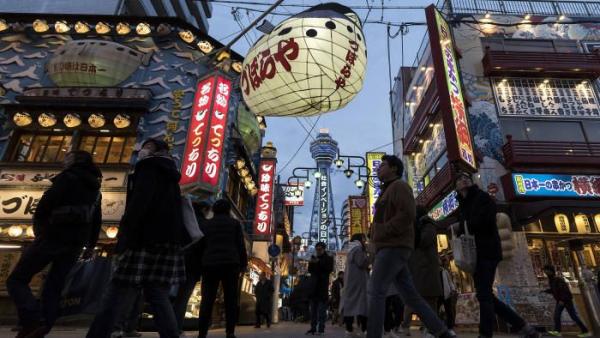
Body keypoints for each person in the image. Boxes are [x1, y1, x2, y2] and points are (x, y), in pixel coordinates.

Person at [87, 139, 185, 338]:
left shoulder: (148, 168)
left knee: (119, 289)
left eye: (147, 147)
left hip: (143, 238)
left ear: (160, 151)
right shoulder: (171, 174)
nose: (141, 150)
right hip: (168, 240)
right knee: (157, 292)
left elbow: (139, 203)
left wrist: (126, 234)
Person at [7, 150, 102, 338]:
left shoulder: (66, 178)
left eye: (67, 157)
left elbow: (44, 207)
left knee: (17, 279)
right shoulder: (95, 186)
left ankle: (32, 318)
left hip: (53, 236)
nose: (63, 160)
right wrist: (90, 245)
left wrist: (40, 232)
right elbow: (96, 218)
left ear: (74, 161)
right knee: (55, 285)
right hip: (76, 243)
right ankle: (43, 325)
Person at [367, 154, 454, 338]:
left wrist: (382, 232)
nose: (378, 168)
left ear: (394, 169)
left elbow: (407, 214)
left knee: (376, 291)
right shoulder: (388, 190)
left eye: (382, 165)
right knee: (410, 296)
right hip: (394, 246)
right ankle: (441, 331)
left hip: (393, 246)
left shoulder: (399, 186)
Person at [455, 172, 539, 338]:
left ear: (471, 182)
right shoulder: (463, 203)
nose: (463, 180)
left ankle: (485, 334)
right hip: (476, 254)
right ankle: (525, 328)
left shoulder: (482, 197)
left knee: (484, 295)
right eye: (459, 179)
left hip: (487, 251)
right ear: (456, 187)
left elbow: (484, 222)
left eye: (466, 178)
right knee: (485, 295)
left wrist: (462, 225)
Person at [197, 199, 247, 338]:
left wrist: (201, 263)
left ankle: (202, 332)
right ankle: (230, 331)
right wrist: (243, 264)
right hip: (230, 265)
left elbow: (201, 245)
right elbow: (240, 245)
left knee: (207, 299)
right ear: (228, 210)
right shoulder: (234, 224)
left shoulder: (207, 224)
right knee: (230, 299)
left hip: (210, 264)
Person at [401, 206, 443, 336]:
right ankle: (407, 325)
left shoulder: (428, 225)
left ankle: (429, 327)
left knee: (429, 299)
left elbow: (424, 241)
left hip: (426, 268)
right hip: (417, 268)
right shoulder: (417, 226)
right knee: (414, 299)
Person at [172, 200, 211, 332]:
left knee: (167, 294)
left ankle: (166, 324)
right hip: (193, 266)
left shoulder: (183, 219)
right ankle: (175, 327)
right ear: (205, 209)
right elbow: (204, 247)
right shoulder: (205, 224)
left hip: (176, 261)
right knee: (183, 297)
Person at [542, 265, 590, 337]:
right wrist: (546, 291)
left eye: (546, 270)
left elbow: (564, 290)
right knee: (568, 316)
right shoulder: (552, 280)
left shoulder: (557, 279)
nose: (545, 272)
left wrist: (562, 300)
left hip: (565, 300)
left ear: (550, 270)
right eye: (545, 270)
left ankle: (558, 331)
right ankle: (584, 331)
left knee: (564, 315)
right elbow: (555, 290)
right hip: (562, 300)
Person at [342, 234, 369, 337]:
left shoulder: (351, 249)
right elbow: (362, 263)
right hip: (358, 282)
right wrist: (369, 256)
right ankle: (364, 328)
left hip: (351, 282)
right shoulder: (358, 249)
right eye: (364, 239)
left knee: (350, 305)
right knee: (362, 305)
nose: (365, 241)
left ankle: (349, 329)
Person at [306, 242, 334, 335]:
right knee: (313, 311)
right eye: (316, 249)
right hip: (313, 288)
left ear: (323, 249)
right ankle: (313, 328)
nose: (318, 251)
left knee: (321, 311)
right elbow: (310, 270)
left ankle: (321, 329)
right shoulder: (314, 258)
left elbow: (329, 269)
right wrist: (312, 263)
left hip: (322, 288)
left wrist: (318, 262)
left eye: (319, 249)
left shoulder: (328, 259)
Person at [438, 256, 457, 333]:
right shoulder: (434, 272)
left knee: (449, 310)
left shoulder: (444, 271)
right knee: (436, 310)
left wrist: (453, 289)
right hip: (437, 293)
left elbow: (449, 281)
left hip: (446, 293)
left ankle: (450, 327)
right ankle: (437, 327)